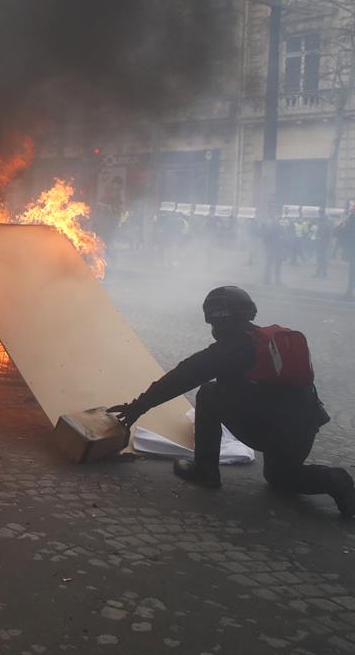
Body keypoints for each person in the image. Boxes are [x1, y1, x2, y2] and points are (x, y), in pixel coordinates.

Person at [109, 286, 354, 517]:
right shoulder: (271, 340)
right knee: (281, 478)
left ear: (217, 320)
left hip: (268, 429)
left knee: (208, 392)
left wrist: (137, 408)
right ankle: (332, 479)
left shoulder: (230, 350)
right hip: (304, 427)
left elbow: (180, 378)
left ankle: (206, 470)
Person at [262, 218, 286, 285]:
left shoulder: (270, 229)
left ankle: (267, 280)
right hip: (277, 250)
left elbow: (265, 240)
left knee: (269, 265)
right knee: (277, 266)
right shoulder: (281, 229)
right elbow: (284, 240)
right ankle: (277, 281)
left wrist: (266, 247)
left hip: (272, 250)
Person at [339, 213, 355, 300]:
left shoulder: (350, 222)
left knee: (352, 272)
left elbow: (341, 232)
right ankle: (349, 291)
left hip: (352, 251)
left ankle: (349, 291)